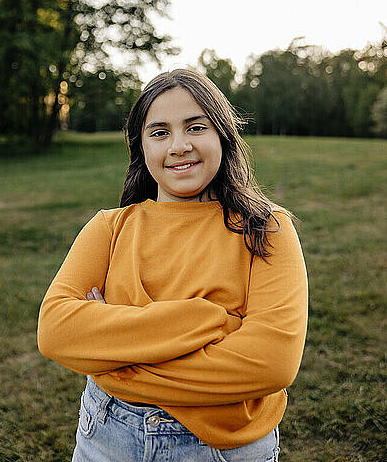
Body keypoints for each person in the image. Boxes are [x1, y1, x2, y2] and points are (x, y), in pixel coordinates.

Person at [37, 67, 308, 462]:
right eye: (160, 132)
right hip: (108, 436)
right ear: (142, 146)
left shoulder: (266, 229)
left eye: (196, 127)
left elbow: (270, 365)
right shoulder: (109, 228)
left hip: (224, 448)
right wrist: (211, 320)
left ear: (223, 134)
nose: (179, 146)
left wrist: (116, 356)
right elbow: (56, 332)